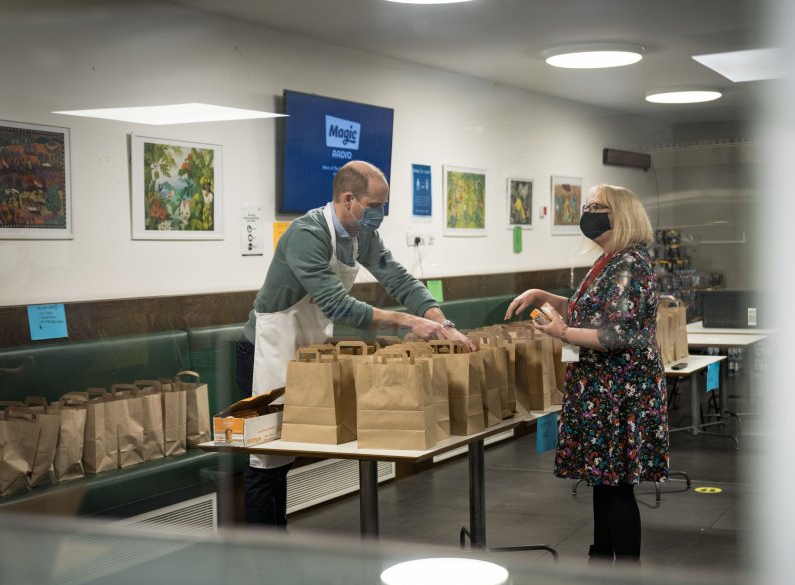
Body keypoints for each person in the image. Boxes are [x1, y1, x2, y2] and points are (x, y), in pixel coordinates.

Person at [236, 160, 473, 528]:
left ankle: (275, 541)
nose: (380, 214)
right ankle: (262, 550)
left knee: (285, 456)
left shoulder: (360, 235)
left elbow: (398, 279)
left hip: (306, 352)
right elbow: (336, 304)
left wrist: (442, 324)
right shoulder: (307, 234)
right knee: (266, 459)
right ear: (349, 199)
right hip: (264, 353)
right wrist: (409, 321)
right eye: (376, 205)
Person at [505, 184, 668, 564]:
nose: (588, 212)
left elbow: (615, 333)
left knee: (617, 488)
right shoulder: (608, 261)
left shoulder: (628, 265)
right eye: (588, 205)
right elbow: (593, 312)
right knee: (603, 481)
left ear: (621, 215)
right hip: (603, 389)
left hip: (619, 391)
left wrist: (560, 332)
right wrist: (548, 298)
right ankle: (601, 559)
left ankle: (623, 572)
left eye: (598, 206)